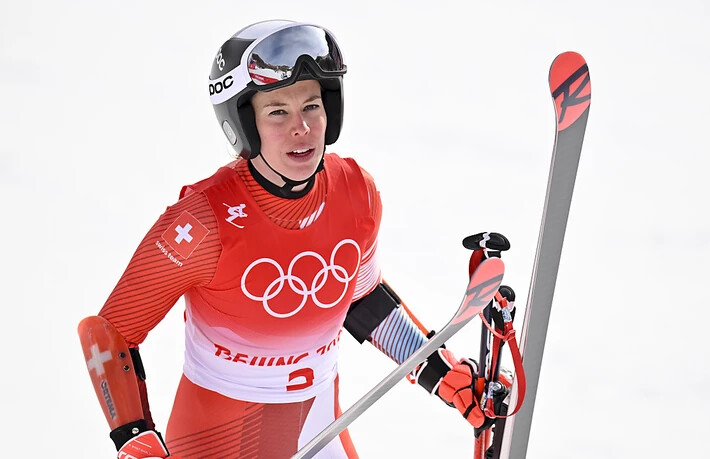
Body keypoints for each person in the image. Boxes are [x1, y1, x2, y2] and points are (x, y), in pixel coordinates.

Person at [78, 20, 496, 459]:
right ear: (244, 124)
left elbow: (362, 299)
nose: (302, 128)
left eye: (312, 106)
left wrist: (438, 372)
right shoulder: (202, 221)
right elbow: (110, 332)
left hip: (317, 426)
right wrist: (134, 437)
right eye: (278, 111)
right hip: (216, 439)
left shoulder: (357, 193)